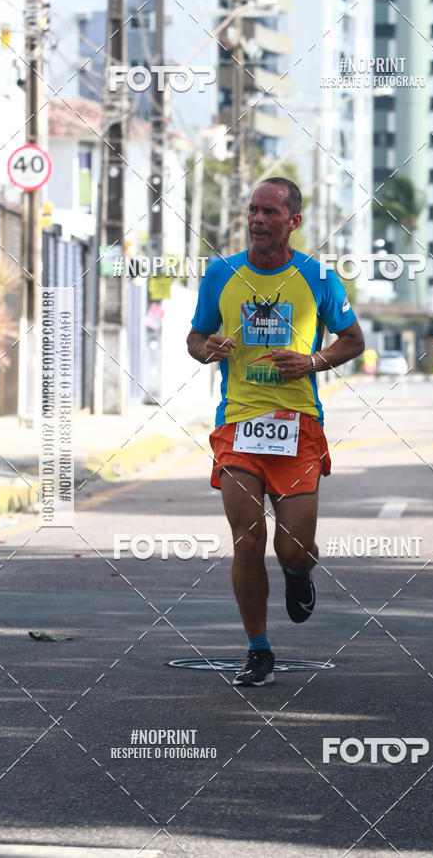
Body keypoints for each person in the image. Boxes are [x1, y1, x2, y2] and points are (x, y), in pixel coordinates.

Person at [186, 178, 365, 686]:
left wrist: (312, 361)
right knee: (247, 541)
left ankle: (298, 573)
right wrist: (207, 349)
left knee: (293, 550)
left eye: (269, 212)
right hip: (238, 425)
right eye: (253, 210)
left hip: (298, 427)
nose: (258, 219)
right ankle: (258, 650)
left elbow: (353, 340)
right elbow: (195, 337)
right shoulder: (221, 273)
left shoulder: (318, 276)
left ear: (293, 221)